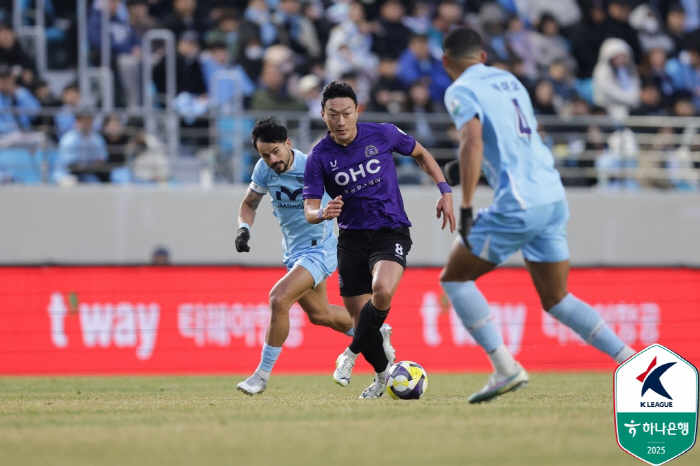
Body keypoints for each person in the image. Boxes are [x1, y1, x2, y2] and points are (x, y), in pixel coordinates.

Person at [439, 27, 635, 403]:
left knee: (455, 279)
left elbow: (473, 141)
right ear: (483, 57)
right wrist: (472, 171)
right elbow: (515, 144)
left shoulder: (458, 89)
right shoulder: (510, 80)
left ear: (446, 61)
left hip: (518, 203)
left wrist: (464, 205)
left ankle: (505, 367)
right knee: (557, 297)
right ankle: (632, 362)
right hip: (552, 195)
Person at [302, 82, 455, 398]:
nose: (341, 121)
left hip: (390, 231)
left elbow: (421, 153)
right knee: (363, 324)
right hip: (351, 240)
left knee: (382, 292)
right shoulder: (318, 156)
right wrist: (322, 213)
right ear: (323, 115)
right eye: (333, 115)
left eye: (347, 113)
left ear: (358, 111)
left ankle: (349, 355)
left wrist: (445, 190)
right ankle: (382, 377)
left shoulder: (382, 134)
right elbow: (309, 209)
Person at [235, 117, 394, 396]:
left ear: (288, 144)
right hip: (294, 251)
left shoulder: (313, 166)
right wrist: (244, 229)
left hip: (320, 248)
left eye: (275, 151)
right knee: (320, 315)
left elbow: (349, 194)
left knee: (278, 298)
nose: (272, 159)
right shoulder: (263, 170)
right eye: (265, 155)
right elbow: (249, 203)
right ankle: (375, 331)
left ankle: (260, 376)